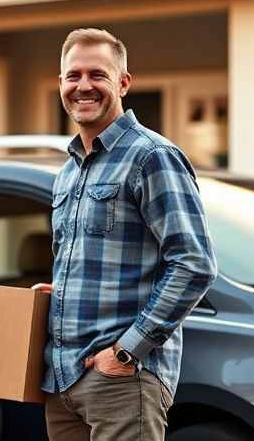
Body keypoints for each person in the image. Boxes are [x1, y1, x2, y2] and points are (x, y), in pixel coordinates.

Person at [32, 28, 217, 441]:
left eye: (97, 74)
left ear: (123, 82)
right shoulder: (68, 172)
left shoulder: (152, 156)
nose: (83, 85)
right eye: (72, 75)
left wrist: (125, 351)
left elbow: (194, 263)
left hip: (121, 380)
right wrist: (60, 291)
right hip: (63, 378)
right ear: (61, 84)